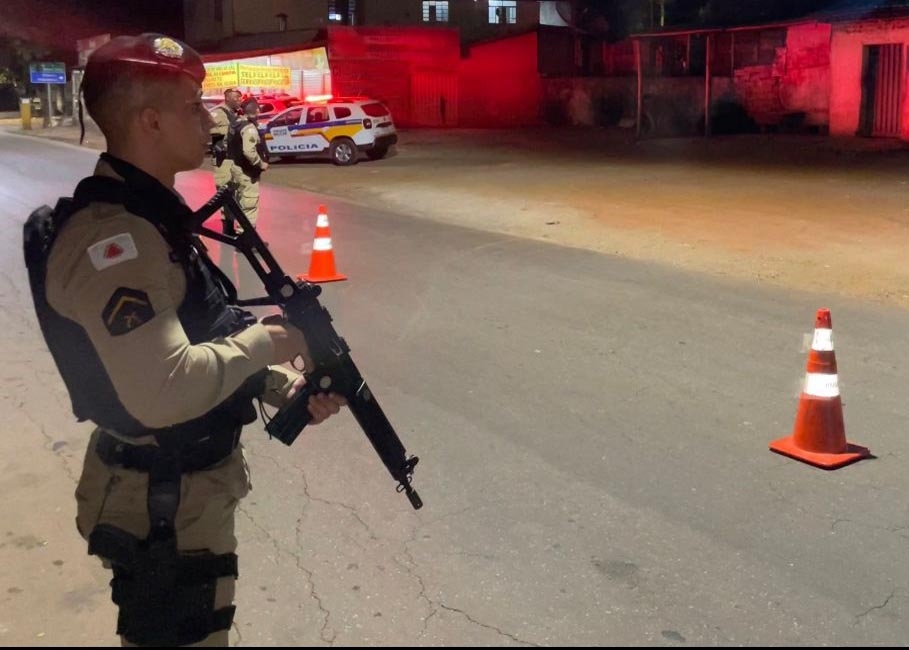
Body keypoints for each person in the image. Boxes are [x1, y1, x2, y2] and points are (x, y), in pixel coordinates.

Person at [23, 33, 346, 646]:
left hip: (178, 491)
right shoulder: (117, 241)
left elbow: (203, 332)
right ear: (149, 121)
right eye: (194, 106)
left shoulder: (154, 217)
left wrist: (284, 386)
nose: (210, 118)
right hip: (161, 508)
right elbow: (165, 388)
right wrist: (273, 344)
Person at [228, 96, 268, 233]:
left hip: (236, 169)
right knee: (250, 205)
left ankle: (241, 234)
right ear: (255, 111)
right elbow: (249, 151)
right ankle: (246, 239)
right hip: (247, 172)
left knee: (241, 202)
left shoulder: (236, 123)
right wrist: (260, 164)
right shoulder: (249, 128)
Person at [209, 88, 241, 234]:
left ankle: (235, 227)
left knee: (237, 194)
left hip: (234, 160)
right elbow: (207, 129)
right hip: (223, 161)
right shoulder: (218, 113)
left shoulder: (235, 114)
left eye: (240, 98)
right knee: (225, 194)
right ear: (227, 98)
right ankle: (227, 230)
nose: (239, 100)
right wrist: (228, 130)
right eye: (236, 98)